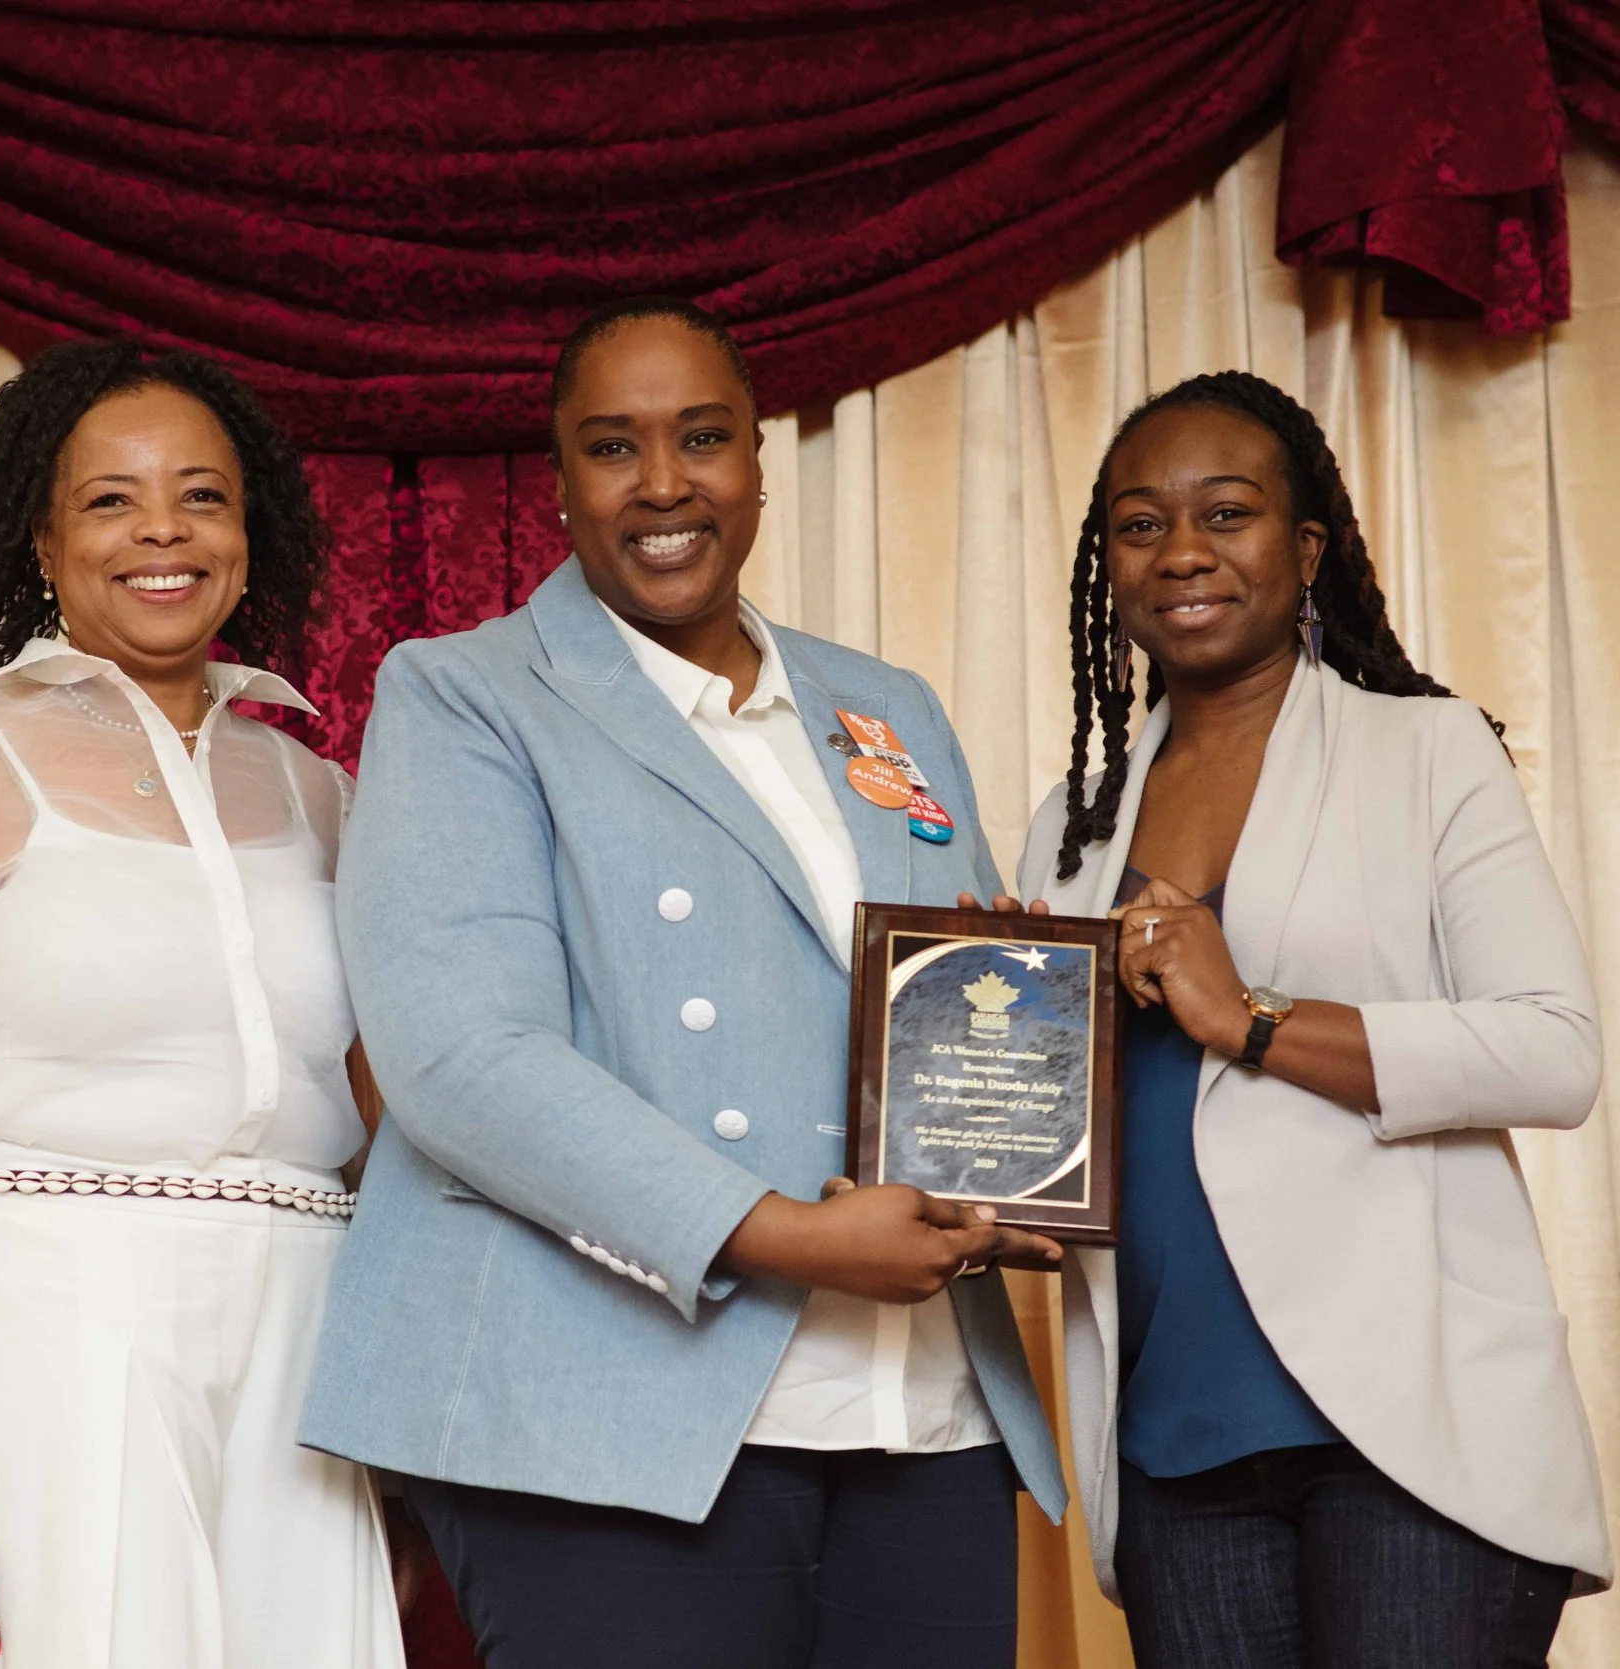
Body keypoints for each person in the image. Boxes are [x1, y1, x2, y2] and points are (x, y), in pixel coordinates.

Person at [299, 296, 1069, 1669]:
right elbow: (461, 1062)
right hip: (608, 1404)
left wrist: (1019, 1130)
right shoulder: (467, 696)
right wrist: (779, 1233)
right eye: (613, 446)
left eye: (702, 437)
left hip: (919, 1409)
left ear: (761, 460)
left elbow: (956, 1007)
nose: (664, 484)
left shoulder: (881, 706)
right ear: (560, 483)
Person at [0, 340, 408, 1669]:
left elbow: (390, 1106)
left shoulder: (320, 792)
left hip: (308, 1334)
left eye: (203, 496)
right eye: (110, 499)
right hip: (58, 1315)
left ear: (249, 532)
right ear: (40, 540)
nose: (161, 529)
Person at [1010, 370, 1611, 1666]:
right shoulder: (1069, 828)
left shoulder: (1426, 753)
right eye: (1138, 523)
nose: (1181, 553)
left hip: (1415, 1436)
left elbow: (1555, 1049)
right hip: (1174, 1434)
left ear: (1306, 547)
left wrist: (1253, 1016)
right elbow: (1055, 1140)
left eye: (1226, 514)